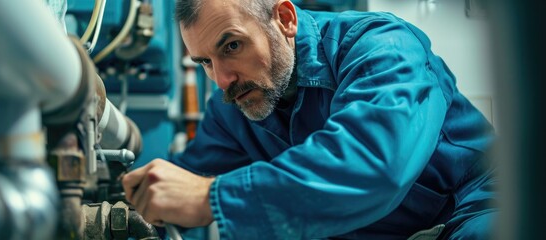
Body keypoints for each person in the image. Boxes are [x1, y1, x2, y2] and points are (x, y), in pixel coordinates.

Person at [122, 0, 497, 239]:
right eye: (204, 62)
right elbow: (187, 181)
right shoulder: (232, 106)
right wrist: (132, 203)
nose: (221, 80)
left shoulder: (381, 45)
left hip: (471, 212)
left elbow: (374, 166)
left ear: (284, 19)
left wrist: (212, 198)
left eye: (231, 46)